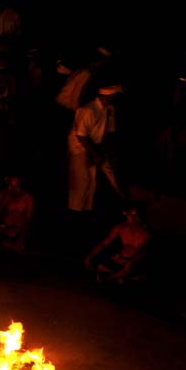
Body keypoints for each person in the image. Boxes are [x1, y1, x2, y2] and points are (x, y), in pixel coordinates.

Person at [67, 83, 127, 214]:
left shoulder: (110, 109)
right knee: (82, 180)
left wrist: (108, 153)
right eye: (116, 95)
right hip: (79, 147)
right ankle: (74, 211)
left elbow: (109, 133)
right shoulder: (87, 110)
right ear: (109, 96)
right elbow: (81, 136)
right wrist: (94, 154)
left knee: (93, 181)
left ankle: (87, 211)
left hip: (95, 146)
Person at [84, 201, 152, 285]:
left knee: (131, 269)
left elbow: (146, 250)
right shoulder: (120, 227)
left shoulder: (146, 230)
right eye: (131, 215)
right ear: (125, 214)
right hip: (121, 260)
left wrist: (131, 261)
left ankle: (111, 277)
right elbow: (105, 243)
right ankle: (119, 276)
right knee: (98, 264)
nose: (134, 218)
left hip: (136, 262)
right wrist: (90, 256)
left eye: (136, 215)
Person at [0, 173, 34, 252]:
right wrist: (4, 200)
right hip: (4, 229)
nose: (10, 188)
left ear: (20, 186)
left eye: (13, 186)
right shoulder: (2, 194)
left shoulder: (28, 198)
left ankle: (13, 244)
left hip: (17, 231)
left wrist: (21, 239)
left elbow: (28, 220)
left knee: (14, 240)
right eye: (9, 185)